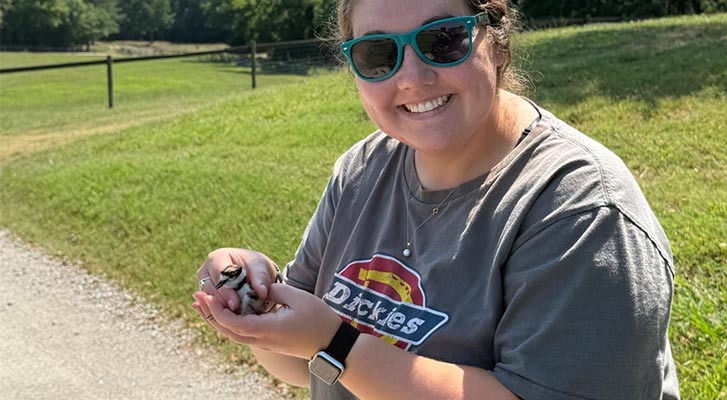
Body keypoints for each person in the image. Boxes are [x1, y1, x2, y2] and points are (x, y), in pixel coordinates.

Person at [192, 0, 681, 399]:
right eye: (378, 54)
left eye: (443, 40)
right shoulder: (361, 170)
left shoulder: (581, 210)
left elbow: (326, 348)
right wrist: (254, 306)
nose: (412, 77)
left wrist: (337, 342)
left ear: (495, 35)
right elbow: (300, 364)